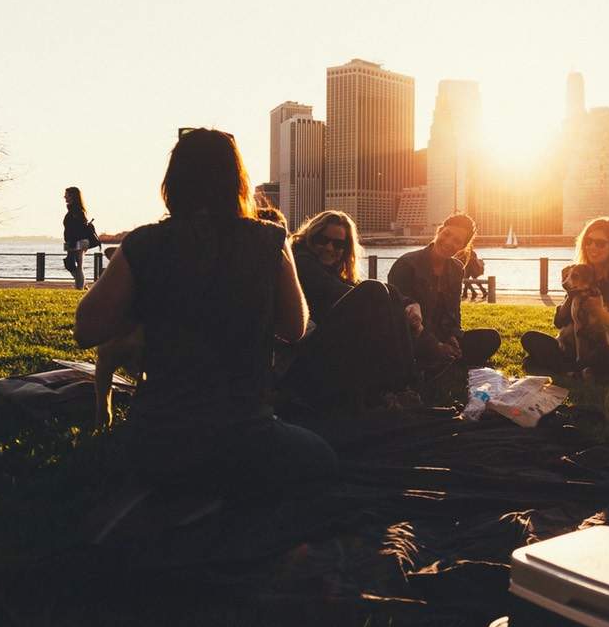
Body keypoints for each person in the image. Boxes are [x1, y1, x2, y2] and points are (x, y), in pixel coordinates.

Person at [74, 129, 336, 494]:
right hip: (245, 436)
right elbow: (295, 328)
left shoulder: (143, 243)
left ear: (173, 182)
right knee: (323, 457)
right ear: (238, 182)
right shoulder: (270, 239)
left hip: (159, 439)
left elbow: (86, 329)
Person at [284, 210, 422, 410]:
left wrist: (411, 304)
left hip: (325, 353)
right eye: (323, 240)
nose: (329, 248)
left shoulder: (332, 272)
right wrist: (391, 304)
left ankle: (402, 386)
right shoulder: (302, 262)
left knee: (386, 291)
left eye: (338, 244)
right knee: (375, 290)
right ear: (310, 237)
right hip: (303, 359)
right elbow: (339, 291)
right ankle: (400, 386)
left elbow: (364, 289)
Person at [520, 217, 609, 376]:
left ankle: (569, 369)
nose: (592, 247)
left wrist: (601, 313)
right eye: (588, 241)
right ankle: (578, 370)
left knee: (603, 354)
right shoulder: (580, 273)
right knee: (530, 338)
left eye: (600, 243)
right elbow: (559, 322)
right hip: (580, 345)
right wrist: (570, 295)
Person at [388, 213, 501, 368]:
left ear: (462, 247)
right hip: (413, 336)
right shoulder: (407, 264)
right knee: (413, 348)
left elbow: (455, 311)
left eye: (456, 241)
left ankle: (445, 359)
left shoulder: (456, 268)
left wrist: (453, 336)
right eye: (447, 234)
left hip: (441, 334)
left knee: (491, 338)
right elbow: (407, 320)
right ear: (439, 231)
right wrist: (437, 347)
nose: (448, 242)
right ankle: (439, 360)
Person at [63, 186, 91, 290]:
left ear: (72, 196)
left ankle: (79, 287)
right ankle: (82, 283)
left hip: (78, 241)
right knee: (70, 264)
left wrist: (73, 242)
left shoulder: (77, 210)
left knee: (78, 264)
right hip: (72, 241)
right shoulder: (72, 210)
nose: (64, 197)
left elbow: (78, 228)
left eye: (66, 195)